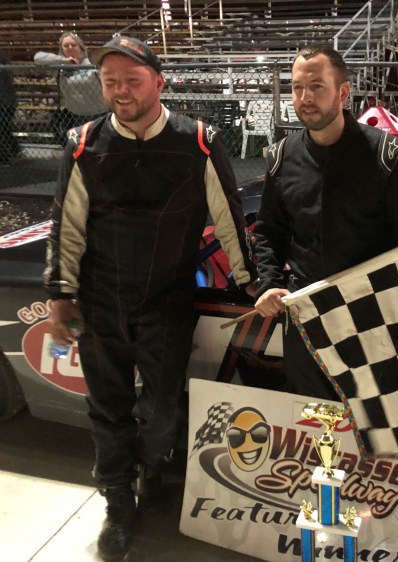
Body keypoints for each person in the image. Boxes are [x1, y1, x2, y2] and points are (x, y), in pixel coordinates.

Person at [43, 36, 255, 562]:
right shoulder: (81, 143)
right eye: (110, 81)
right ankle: (118, 503)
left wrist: (253, 285)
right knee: (106, 408)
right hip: (99, 299)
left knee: (161, 411)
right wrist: (60, 293)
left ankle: (151, 469)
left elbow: (228, 217)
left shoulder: (197, 141)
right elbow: (66, 227)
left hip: (168, 299)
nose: (119, 90)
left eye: (131, 80)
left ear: (159, 83)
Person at [252, 44, 398, 401]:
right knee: (313, 422)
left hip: (372, 318)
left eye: (316, 86)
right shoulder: (280, 157)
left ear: (343, 92)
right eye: (297, 87)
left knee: (374, 427)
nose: (305, 97)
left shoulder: (388, 155)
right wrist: (268, 283)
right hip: (305, 318)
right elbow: (269, 233)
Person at [34, 31, 108, 144]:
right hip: (75, 116)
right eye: (66, 45)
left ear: (81, 48)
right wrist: (63, 60)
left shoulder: (92, 65)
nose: (70, 48)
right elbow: (37, 58)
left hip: (100, 114)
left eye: (74, 45)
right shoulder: (60, 68)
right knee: (83, 149)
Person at [0, 51, 18, 165]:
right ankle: (14, 148)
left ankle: (6, 155)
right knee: (4, 129)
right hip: (7, 103)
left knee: (4, 130)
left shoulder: (2, 71)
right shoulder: (5, 69)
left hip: (4, 104)